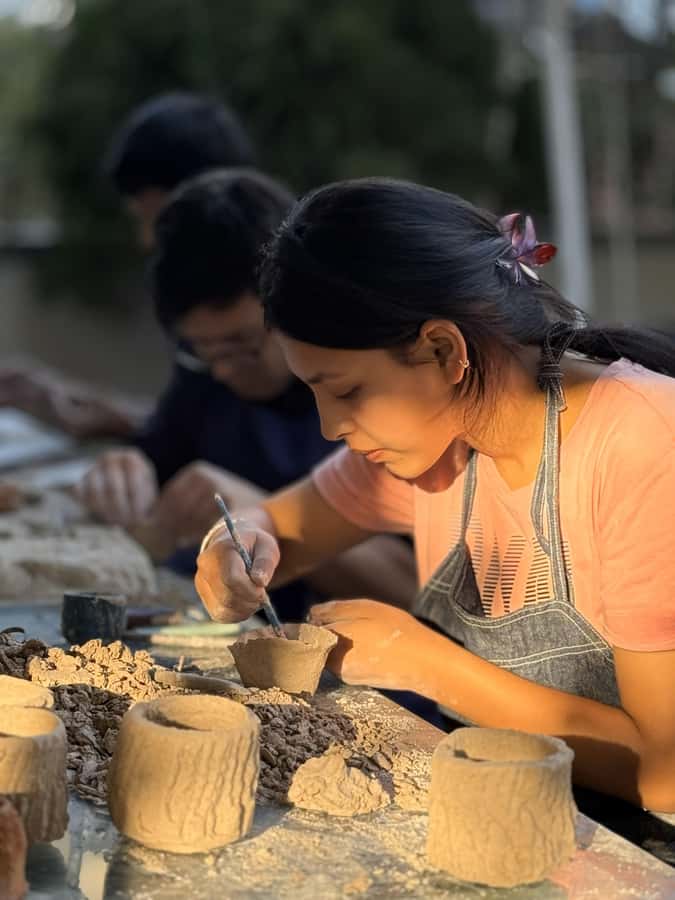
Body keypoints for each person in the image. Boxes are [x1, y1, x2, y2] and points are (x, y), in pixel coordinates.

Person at [195, 177, 675, 812]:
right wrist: (230, 546)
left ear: (444, 350)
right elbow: (276, 525)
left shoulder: (643, 441)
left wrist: (427, 663)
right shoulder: (443, 435)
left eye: (345, 391)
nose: (330, 427)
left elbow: (665, 774)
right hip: (511, 809)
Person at [79, 170, 416, 616]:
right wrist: (130, 467)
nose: (223, 371)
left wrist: (265, 515)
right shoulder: (202, 372)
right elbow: (158, 457)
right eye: (203, 350)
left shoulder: (371, 394)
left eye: (242, 345)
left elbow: (417, 588)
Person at [0, 92, 256, 439]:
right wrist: (75, 402)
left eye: (154, 218)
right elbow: (191, 423)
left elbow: (251, 447)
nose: (148, 241)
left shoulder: (277, 301)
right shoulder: (190, 301)